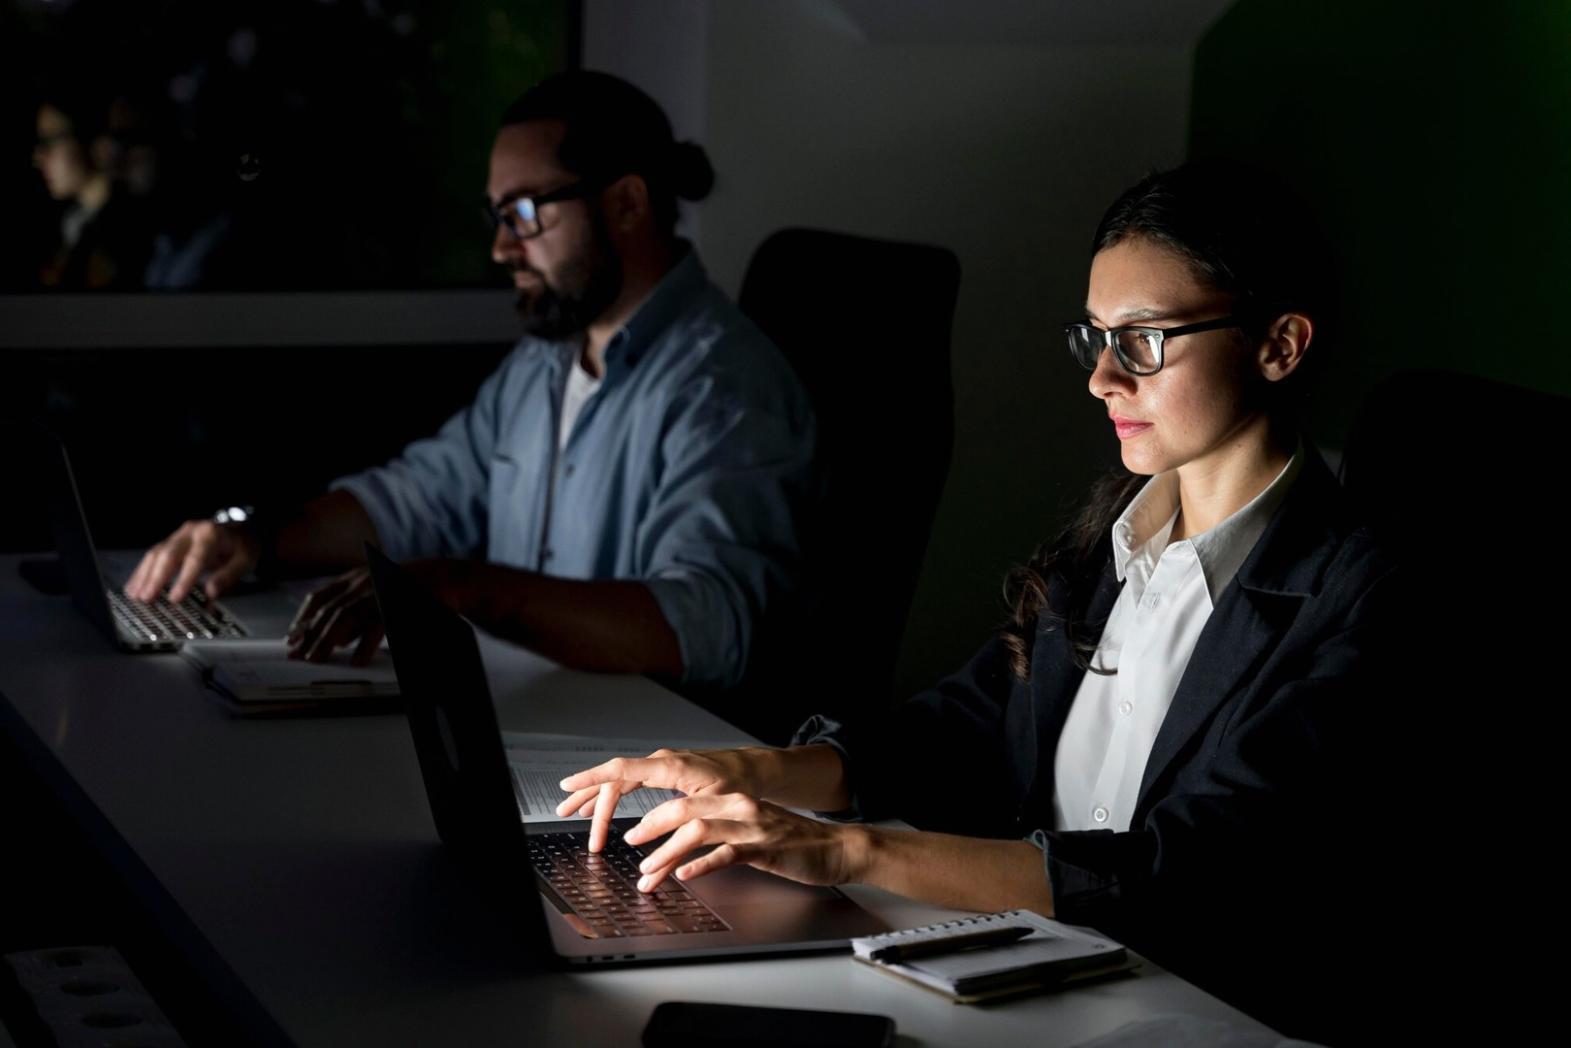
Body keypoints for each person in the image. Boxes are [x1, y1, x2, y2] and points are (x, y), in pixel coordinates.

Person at [556, 161, 1414, 1040]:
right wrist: (761, 772)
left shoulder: (1366, 595)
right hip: (1050, 975)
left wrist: (844, 850)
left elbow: (1181, 872)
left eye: (1144, 341)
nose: (1101, 380)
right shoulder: (1118, 529)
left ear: (1278, 345)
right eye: (1094, 339)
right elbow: (972, 722)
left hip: (1198, 1012)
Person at [125, 70, 816, 694]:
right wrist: (252, 536)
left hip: (648, 757)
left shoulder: (724, 385)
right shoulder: (547, 359)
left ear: (628, 204)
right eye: (496, 217)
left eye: (523, 214)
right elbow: (418, 498)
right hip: (535, 711)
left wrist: (471, 590)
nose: (500, 249)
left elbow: (707, 629)